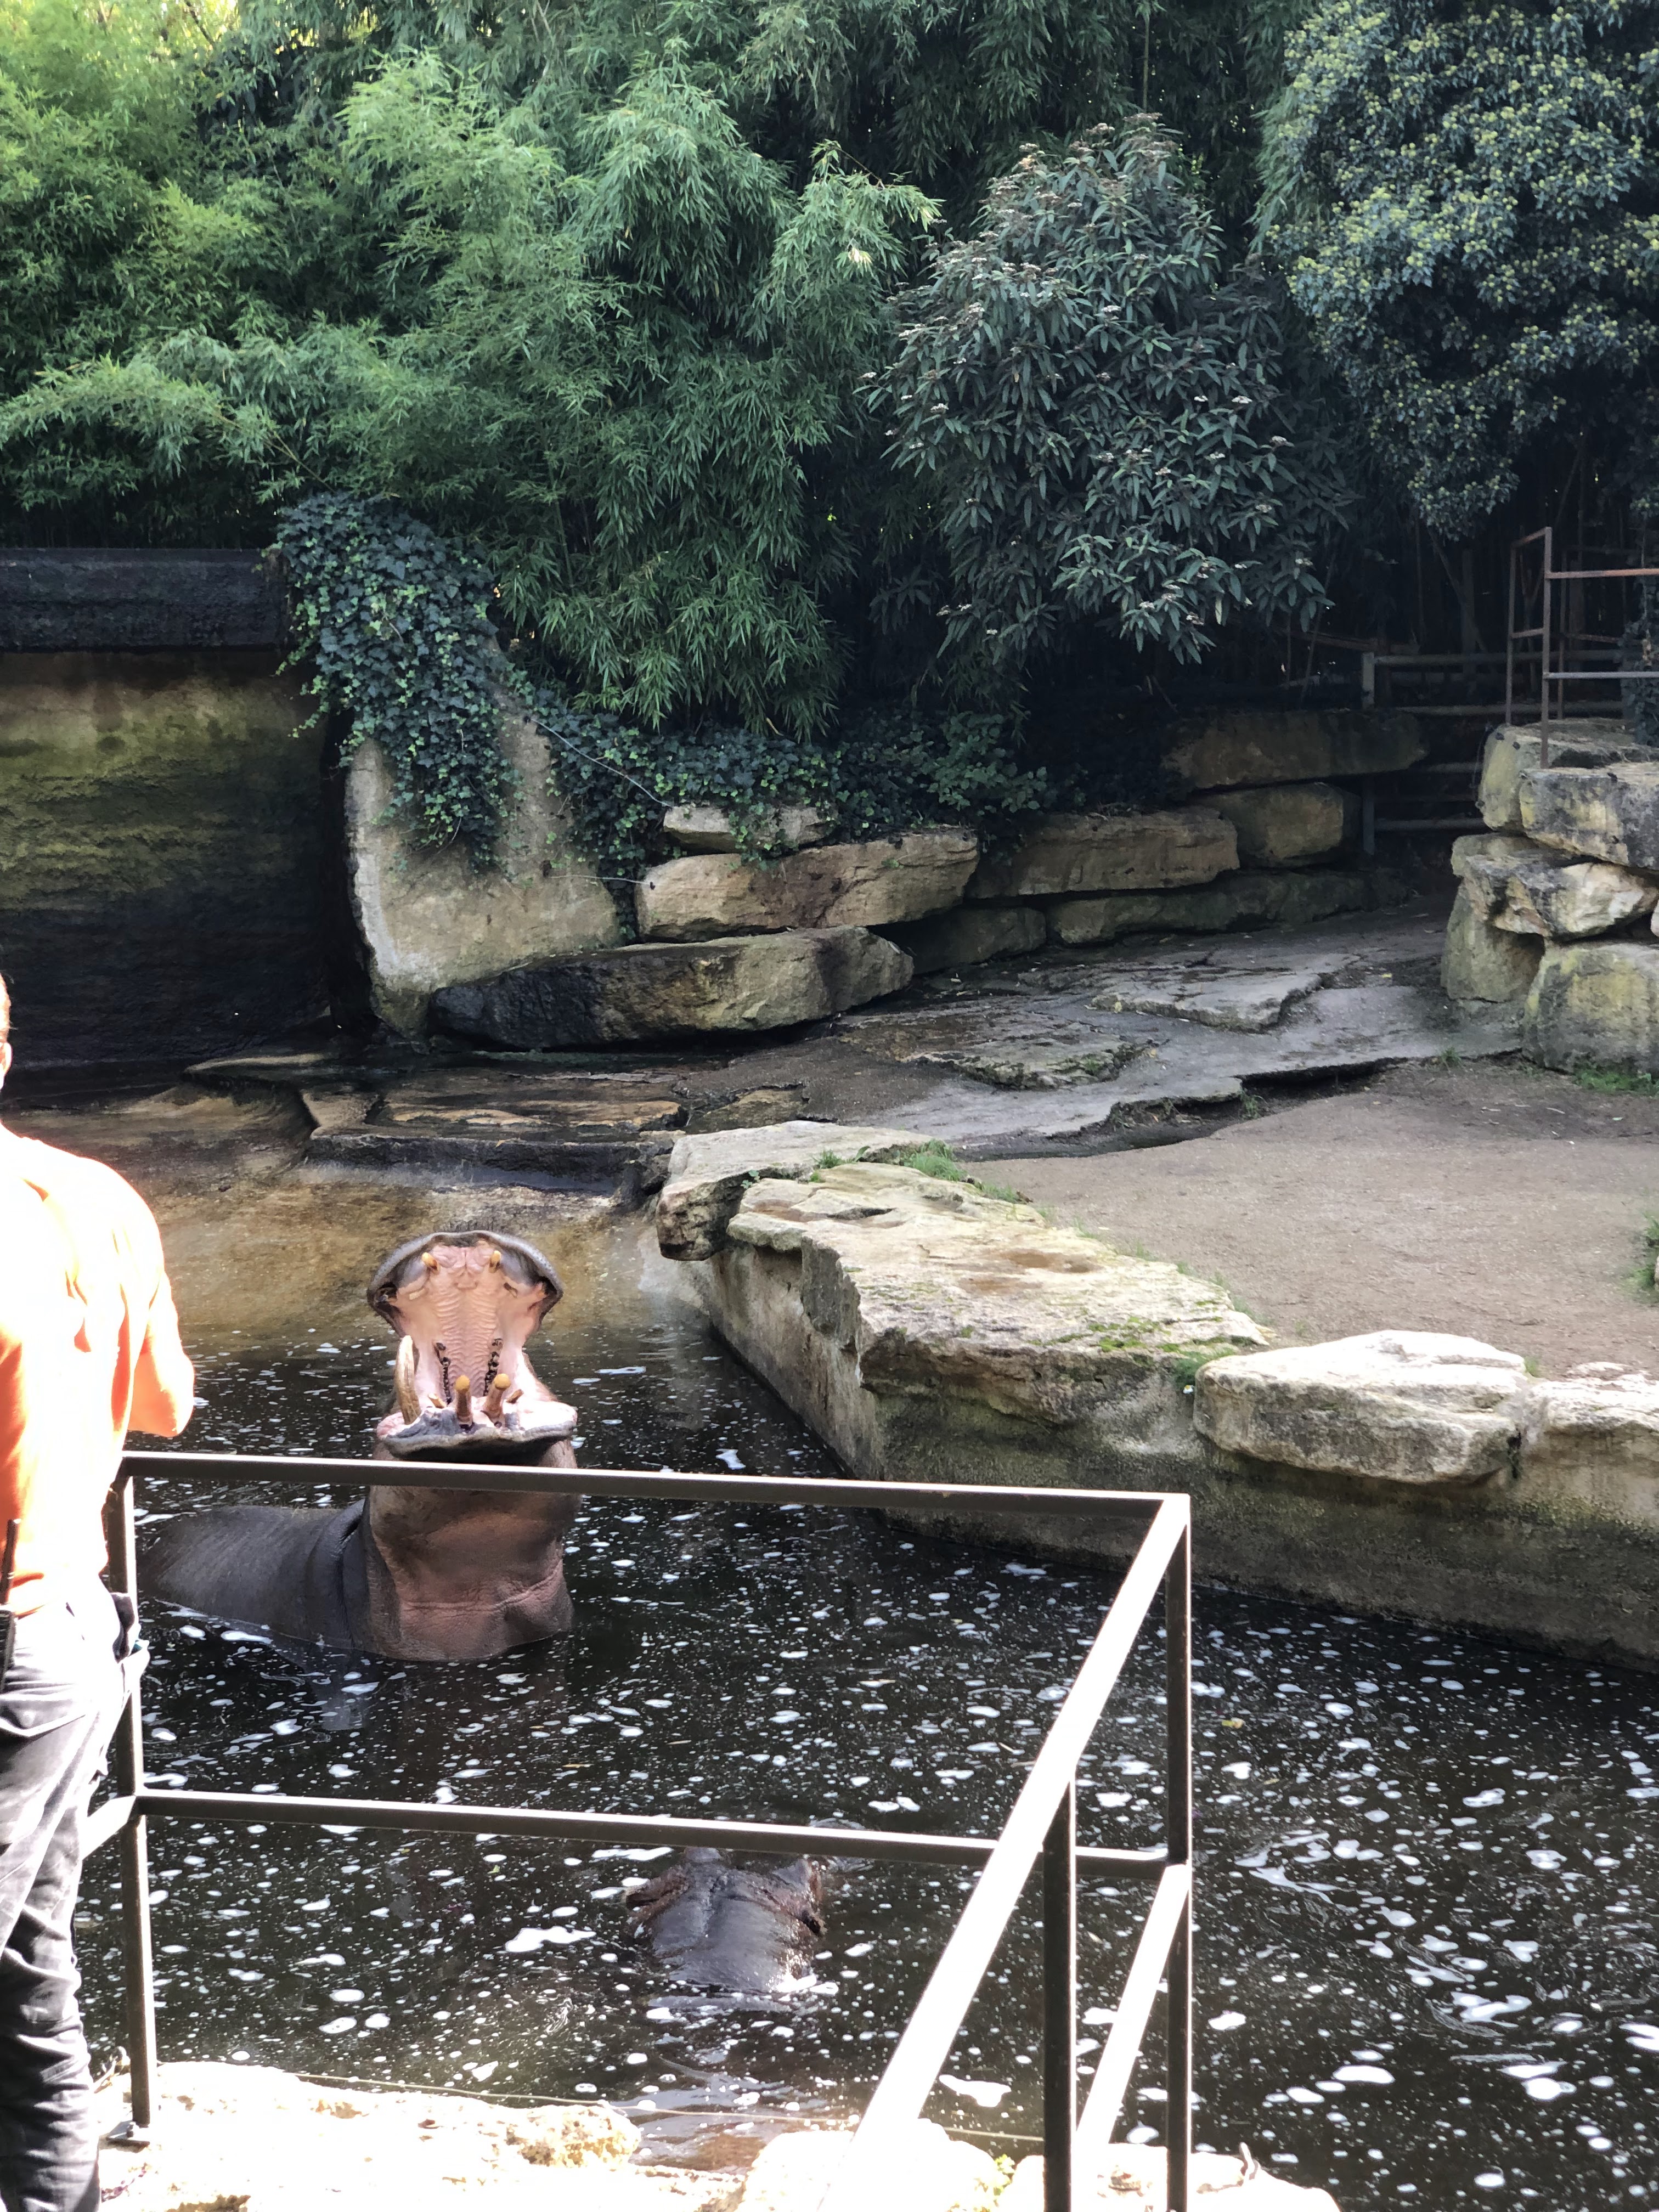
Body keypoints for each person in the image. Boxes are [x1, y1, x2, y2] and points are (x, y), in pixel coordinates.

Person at [0, 974, 195, 2212]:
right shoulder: (95, 1197)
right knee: (30, 1982)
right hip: (71, 1627)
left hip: (13, 1627)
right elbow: (166, 1404)